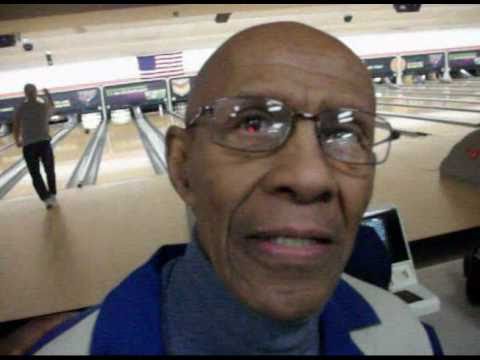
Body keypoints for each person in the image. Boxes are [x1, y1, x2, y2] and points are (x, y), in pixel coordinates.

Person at [24, 22, 442, 355]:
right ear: (182, 166)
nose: (309, 177)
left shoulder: (409, 338)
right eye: (253, 123)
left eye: (347, 132)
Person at [12, 84, 57, 209]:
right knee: (49, 170)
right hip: (44, 143)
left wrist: (17, 140)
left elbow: (15, 125)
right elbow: (53, 107)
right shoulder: (42, 106)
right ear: (35, 92)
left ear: (25, 93)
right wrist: (48, 95)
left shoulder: (21, 108)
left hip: (29, 146)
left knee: (35, 174)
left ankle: (46, 198)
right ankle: (52, 194)